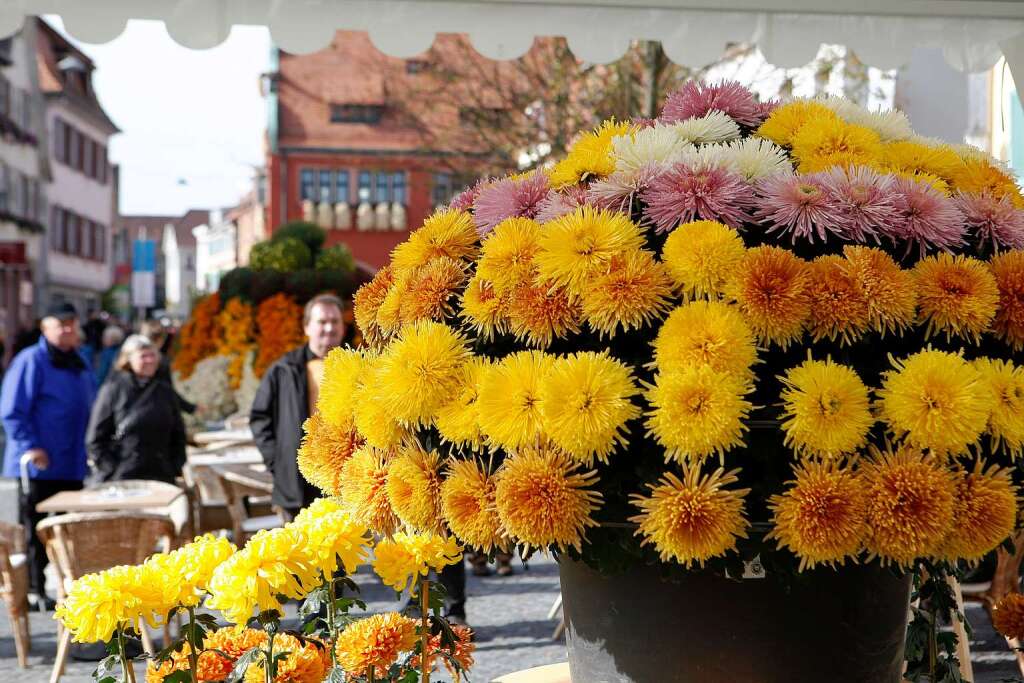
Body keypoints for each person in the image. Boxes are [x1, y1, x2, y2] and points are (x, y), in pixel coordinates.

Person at [0, 303, 96, 610]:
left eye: (71, 323)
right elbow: (12, 411)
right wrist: (31, 446)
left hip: (72, 462)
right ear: (45, 328)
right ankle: (34, 589)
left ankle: (66, 588)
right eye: (60, 324)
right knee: (36, 531)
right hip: (39, 465)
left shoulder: (79, 361)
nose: (68, 329)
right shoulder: (31, 360)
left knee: (68, 533)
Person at [250, 293, 346, 521]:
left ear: (343, 327)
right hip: (295, 482)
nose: (329, 328)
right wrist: (277, 462)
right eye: (322, 322)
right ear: (306, 327)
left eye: (335, 321)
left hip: (343, 479)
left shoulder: (358, 365)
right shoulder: (284, 368)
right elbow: (259, 417)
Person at [85, 335, 187, 484]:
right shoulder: (113, 389)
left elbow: (178, 433)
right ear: (128, 359)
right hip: (123, 477)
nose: (150, 361)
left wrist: (174, 466)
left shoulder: (164, 391)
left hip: (160, 476)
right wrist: (111, 470)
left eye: (153, 355)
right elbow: (94, 438)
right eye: (143, 356)